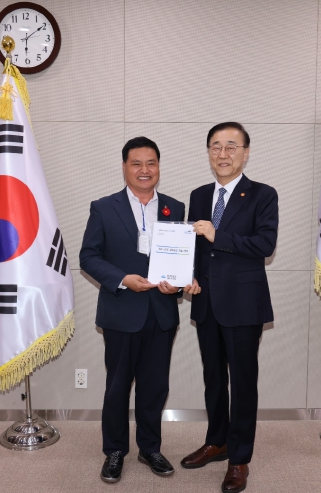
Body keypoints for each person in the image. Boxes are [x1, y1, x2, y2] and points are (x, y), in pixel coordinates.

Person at [80, 136, 201, 483]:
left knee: (154, 386)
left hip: (161, 313)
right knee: (118, 386)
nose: (144, 170)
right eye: (136, 163)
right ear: (124, 167)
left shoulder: (175, 207)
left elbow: (182, 256)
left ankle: (150, 448)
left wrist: (180, 281)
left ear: (158, 167)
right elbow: (88, 257)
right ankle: (115, 450)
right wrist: (122, 279)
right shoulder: (104, 207)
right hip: (121, 312)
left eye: (151, 163)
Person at [181, 122, 278, 493]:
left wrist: (217, 234)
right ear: (208, 152)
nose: (223, 154)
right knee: (213, 380)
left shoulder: (262, 194)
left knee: (243, 382)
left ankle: (239, 459)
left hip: (243, 305)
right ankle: (217, 442)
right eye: (215, 146)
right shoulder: (199, 194)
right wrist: (188, 276)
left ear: (246, 152)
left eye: (231, 146)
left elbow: (264, 244)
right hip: (206, 302)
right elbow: (193, 248)